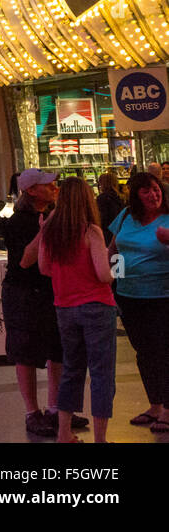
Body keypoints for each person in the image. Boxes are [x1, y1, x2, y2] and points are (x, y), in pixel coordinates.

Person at [26, 177, 116, 443]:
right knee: (102, 374)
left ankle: (64, 432)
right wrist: (115, 270)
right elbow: (102, 274)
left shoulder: (50, 231)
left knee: (71, 371)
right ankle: (100, 439)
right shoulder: (91, 231)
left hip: (64, 307)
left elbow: (43, 268)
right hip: (97, 306)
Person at [3, 169, 87, 437]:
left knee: (58, 348)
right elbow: (25, 261)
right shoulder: (17, 222)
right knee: (25, 352)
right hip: (24, 292)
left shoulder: (55, 215)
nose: (54, 187)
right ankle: (32, 411)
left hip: (52, 290)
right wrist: (45, 230)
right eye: (48, 184)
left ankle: (56, 408)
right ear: (31, 191)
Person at [107, 170, 169, 433]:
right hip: (129, 295)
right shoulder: (125, 217)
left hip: (162, 295)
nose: (153, 195)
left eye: (156, 189)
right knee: (143, 352)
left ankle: (167, 407)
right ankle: (154, 404)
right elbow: (113, 249)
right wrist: (113, 280)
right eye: (146, 191)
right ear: (136, 194)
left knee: (163, 350)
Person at [95, 172, 123, 244]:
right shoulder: (121, 197)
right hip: (119, 232)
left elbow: (102, 218)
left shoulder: (102, 198)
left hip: (107, 234)